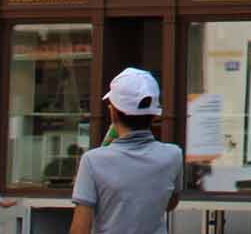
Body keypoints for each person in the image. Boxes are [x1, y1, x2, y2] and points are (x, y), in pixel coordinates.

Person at [70, 69, 184, 234]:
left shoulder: (92, 161)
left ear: (113, 112)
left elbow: (80, 230)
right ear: (154, 116)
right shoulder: (173, 156)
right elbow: (170, 204)